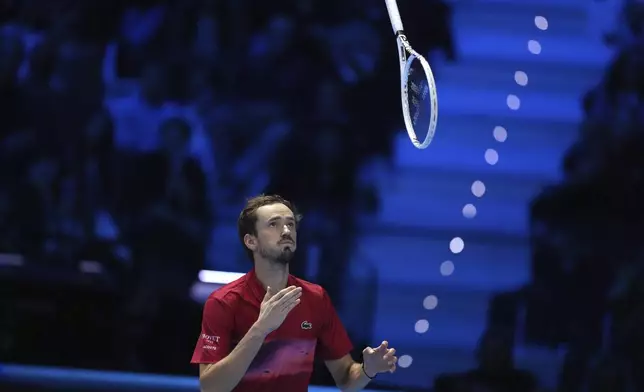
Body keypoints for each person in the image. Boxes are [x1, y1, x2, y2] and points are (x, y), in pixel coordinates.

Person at [191, 194, 397, 391]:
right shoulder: (223, 302)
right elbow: (211, 387)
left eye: (290, 224)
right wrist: (260, 329)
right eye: (274, 224)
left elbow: (346, 380)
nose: (286, 231)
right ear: (250, 241)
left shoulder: (316, 299)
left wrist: (368, 370)